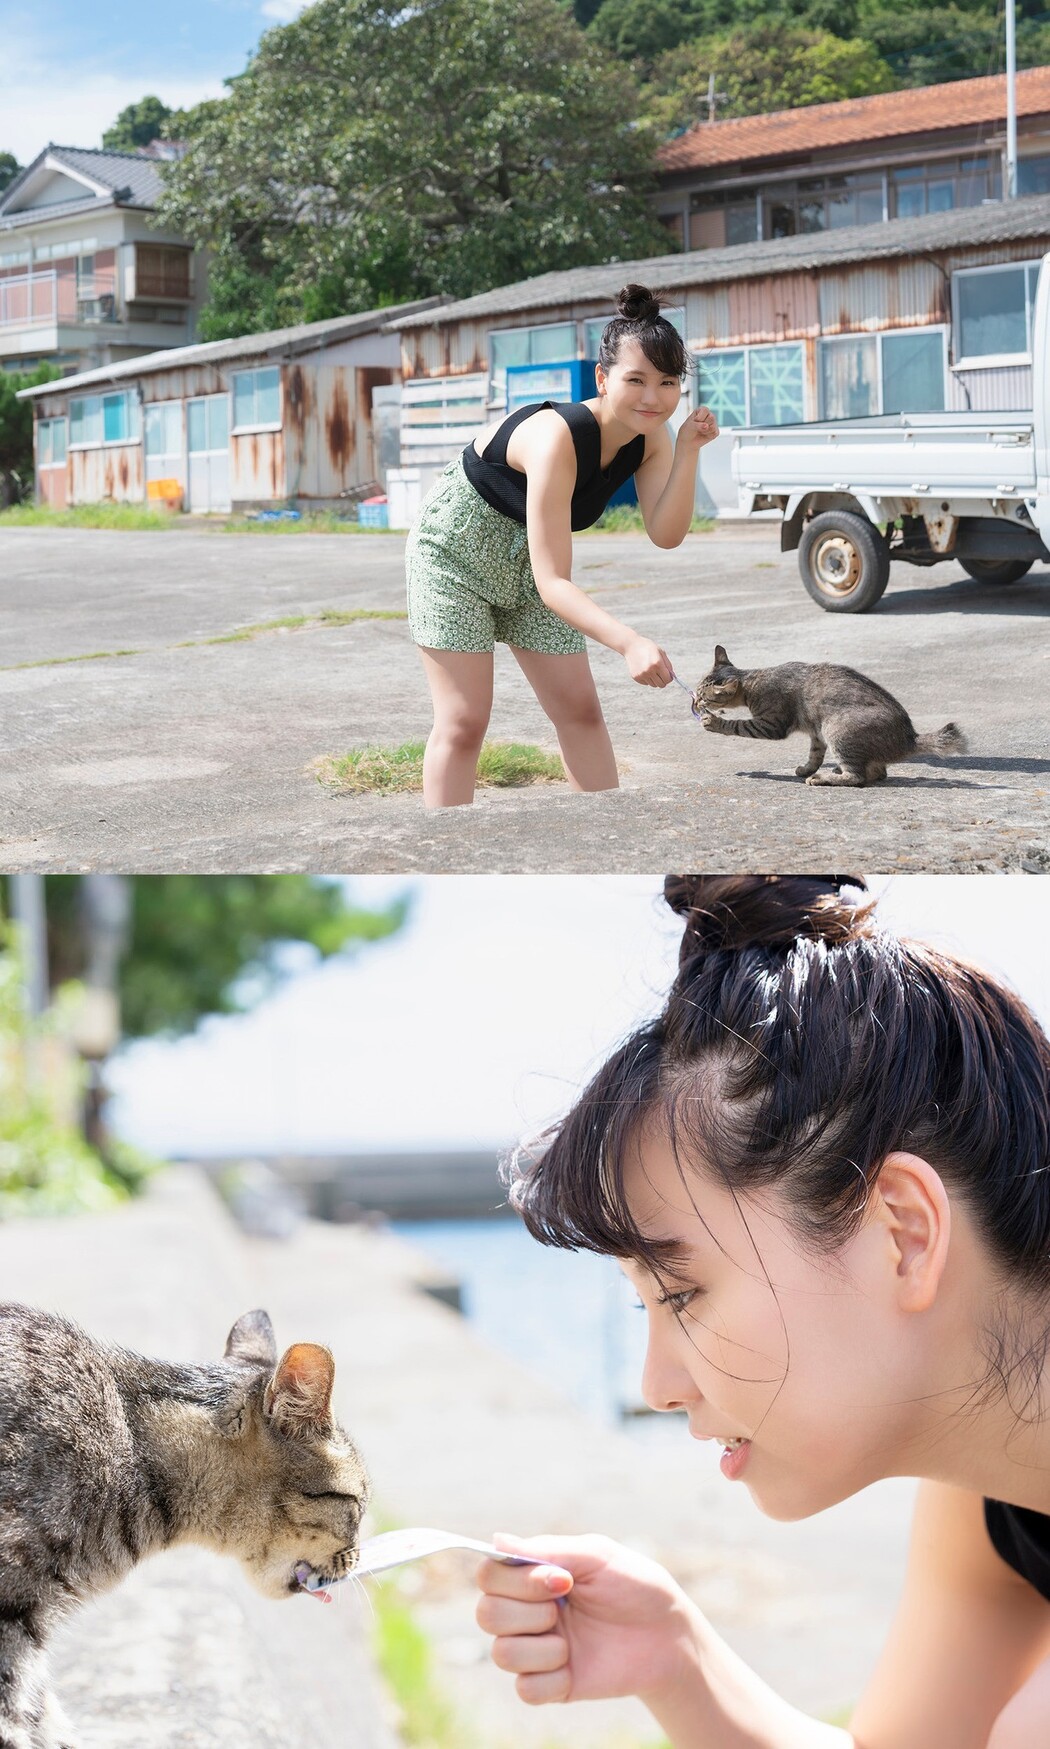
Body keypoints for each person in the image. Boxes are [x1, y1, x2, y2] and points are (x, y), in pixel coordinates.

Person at [474, 874, 1050, 1749]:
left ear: (903, 1231)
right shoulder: (994, 1492)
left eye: (683, 1293)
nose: (658, 1385)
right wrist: (676, 1660)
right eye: (647, 1308)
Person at [405, 286, 720, 807]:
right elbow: (554, 582)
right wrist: (629, 642)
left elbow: (666, 533)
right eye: (635, 380)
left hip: (534, 567)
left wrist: (687, 451)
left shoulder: (654, 437)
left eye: (668, 383)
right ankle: (448, 855)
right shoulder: (557, 438)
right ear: (602, 378)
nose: (652, 397)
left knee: (580, 711)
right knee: (463, 722)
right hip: (453, 557)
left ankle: (600, 838)